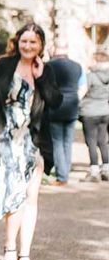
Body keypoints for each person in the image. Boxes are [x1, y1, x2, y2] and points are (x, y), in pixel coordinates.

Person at [0, 22, 62, 260]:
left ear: (40, 45)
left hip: (33, 141)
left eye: (33, 42)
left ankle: (24, 254)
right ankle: (9, 249)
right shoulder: (4, 66)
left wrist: (41, 78)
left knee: (30, 197)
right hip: (6, 139)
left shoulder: (45, 70)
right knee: (14, 196)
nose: (28, 46)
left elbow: (56, 102)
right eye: (24, 41)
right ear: (18, 42)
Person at [47, 43, 85, 185]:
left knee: (57, 142)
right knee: (68, 141)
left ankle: (62, 176)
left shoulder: (49, 66)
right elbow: (83, 87)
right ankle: (65, 171)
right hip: (72, 106)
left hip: (55, 106)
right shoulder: (77, 66)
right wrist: (75, 99)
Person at [78, 51, 109, 183]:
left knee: (91, 141)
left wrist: (77, 105)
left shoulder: (89, 76)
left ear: (96, 61)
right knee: (103, 141)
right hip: (105, 111)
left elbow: (82, 92)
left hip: (90, 112)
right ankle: (107, 169)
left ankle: (94, 170)